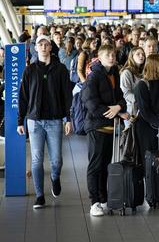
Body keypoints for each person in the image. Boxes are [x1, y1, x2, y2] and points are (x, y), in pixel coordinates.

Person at [17, 35, 73, 209]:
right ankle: (40, 195)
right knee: (36, 160)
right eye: (40, 44)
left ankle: (55, 178)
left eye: (46, 44)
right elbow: (23, 97)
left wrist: (68, 118)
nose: (42, 47)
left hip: (55, 120)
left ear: (50, 48)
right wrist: (21, 121)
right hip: (35, 121)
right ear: (36, 48)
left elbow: (67, 96)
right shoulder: (30, 70)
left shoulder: (60, 69)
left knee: (56, 160)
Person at [82, 45, 128, 217]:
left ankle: (103, 198)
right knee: (95, 165)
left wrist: (118, 107)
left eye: (113, 54)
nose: (111, 56)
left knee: (104, 166)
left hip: (111, 128)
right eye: (107, 54)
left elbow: (121, 98)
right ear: (99, 58)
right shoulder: (94, 76)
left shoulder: (114, 73)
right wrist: (114, 110)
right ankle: (94, 202)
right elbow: (90, 103)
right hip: (97, 126)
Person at [133, 54, 159, 164]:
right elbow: (145, 111)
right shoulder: (142, 85)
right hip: (146, 127)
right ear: (156, 65)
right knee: (149, 159)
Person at [120, 47, 145, 119]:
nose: (141, 56)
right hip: (131, 111)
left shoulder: (143, 72)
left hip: (141, 109)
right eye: (138, 54)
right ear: (132, 57)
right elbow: (126, 93)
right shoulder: (126, 72)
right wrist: (141, 99)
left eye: (143, 54)